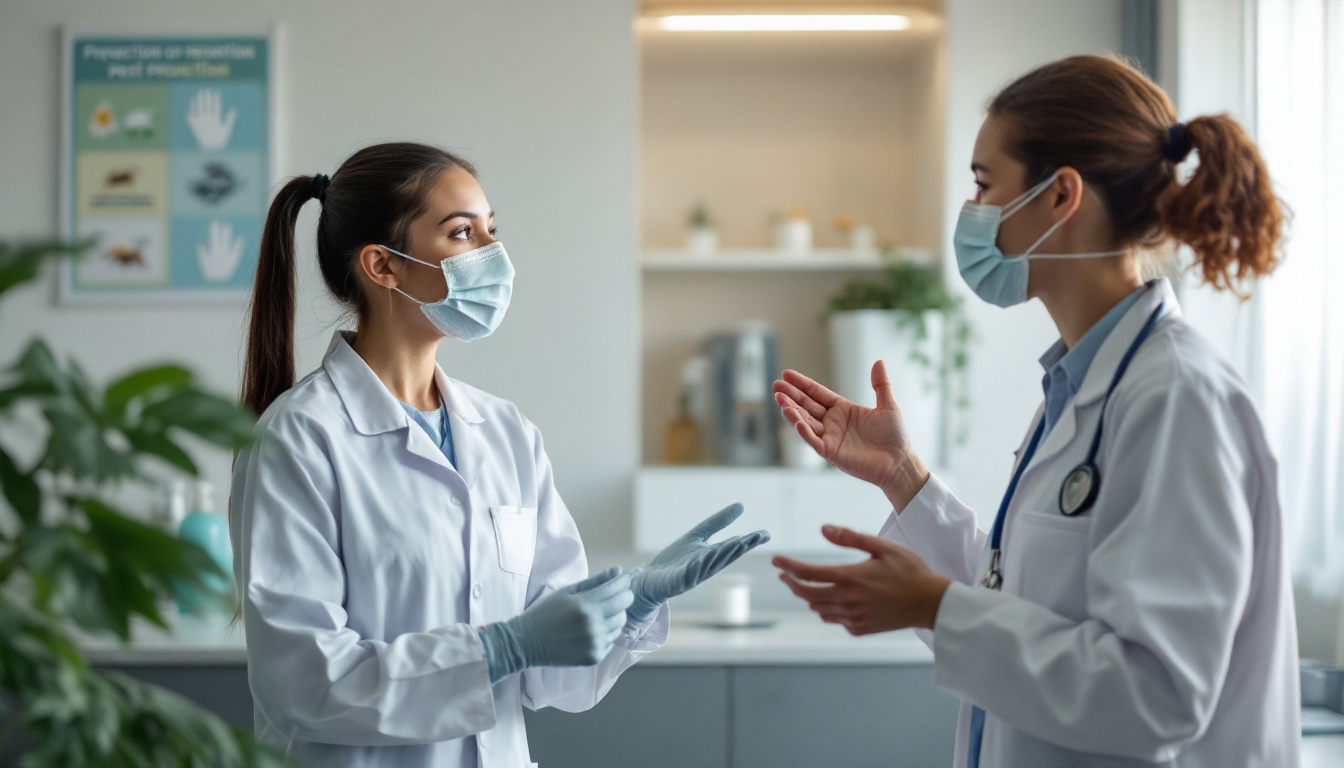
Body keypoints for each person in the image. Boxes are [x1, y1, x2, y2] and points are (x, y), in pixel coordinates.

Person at [771, 56, 1299, 767]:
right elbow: (1018, 609)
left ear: (1060, 197)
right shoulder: (1084, 386)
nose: (974, 214)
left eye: (985, 185)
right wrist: (903, 477)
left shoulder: (1177, 398)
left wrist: (934, 605)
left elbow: (1161, 696)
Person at [230, 142, 768, 768]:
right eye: (462, 233)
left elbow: (554, 681)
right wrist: (501, 649)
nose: (493, 255)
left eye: (492, 230)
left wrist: (631, 606)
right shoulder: (299, 439)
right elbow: (306, 684)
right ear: (383, 265)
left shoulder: (506, 432)